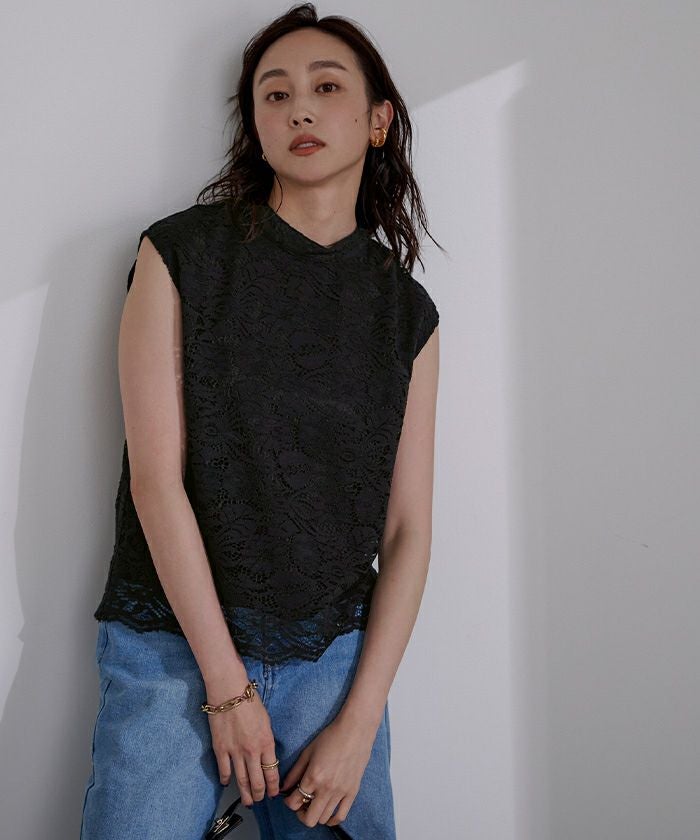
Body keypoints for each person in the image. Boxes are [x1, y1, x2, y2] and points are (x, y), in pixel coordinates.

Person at [80, 3, 442, 839]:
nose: (299, 109)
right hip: (173, 650)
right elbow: (155, 482)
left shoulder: (406, 313)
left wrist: (359, 725)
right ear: (256, 125)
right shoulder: (180, 254)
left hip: (334, 670)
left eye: (326, 87)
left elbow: (410, 531)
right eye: (275, 95)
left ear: (379, 120)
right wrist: (226, 687)